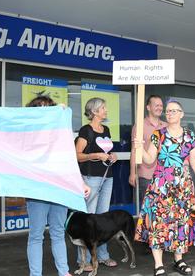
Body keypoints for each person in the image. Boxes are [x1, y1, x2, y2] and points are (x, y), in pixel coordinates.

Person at [135, 100, 195, 276]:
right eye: (167, 112)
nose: (169, 114)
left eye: (174, 111)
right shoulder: (158, 134)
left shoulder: (189, 135)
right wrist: (139, 148)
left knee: (180, 223)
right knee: (158, 223)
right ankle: (158, 264)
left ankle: (179, 260)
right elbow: (148, 160)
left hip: (183, 186)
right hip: (161, 185)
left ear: (182, 114)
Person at [26, 96, 91, 276]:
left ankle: (64, 272)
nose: (45, 111)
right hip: (37, 191)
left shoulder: (59, 135)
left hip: (59, 190)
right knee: (36, 235)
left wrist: (81, 183)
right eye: (41, 108)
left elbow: (68, 162)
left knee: (57, 233)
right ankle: (35, 274)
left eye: (48, 108)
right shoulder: (26, 136)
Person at [75, 97, 118, 271]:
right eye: (103, 108)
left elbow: (106, 151)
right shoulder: (86, 130)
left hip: (107, 177)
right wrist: (95, 156)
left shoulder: (105, 129)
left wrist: (111, 156)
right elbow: (77, 155)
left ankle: (102, 256)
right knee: (89, 220)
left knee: (102, 219)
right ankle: (83, 261)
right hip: (91, 178)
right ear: (94, 111)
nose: (106, 110)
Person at [130, 95, 167, 204]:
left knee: (163, 208)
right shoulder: (139, 126)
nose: (159, 108)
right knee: (148, 208)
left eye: (161, 105)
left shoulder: (166, 126)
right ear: (148, 107)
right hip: (146, 175)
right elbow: (134, 150)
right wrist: (132, 173)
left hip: (165, 175)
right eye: (156, 105)